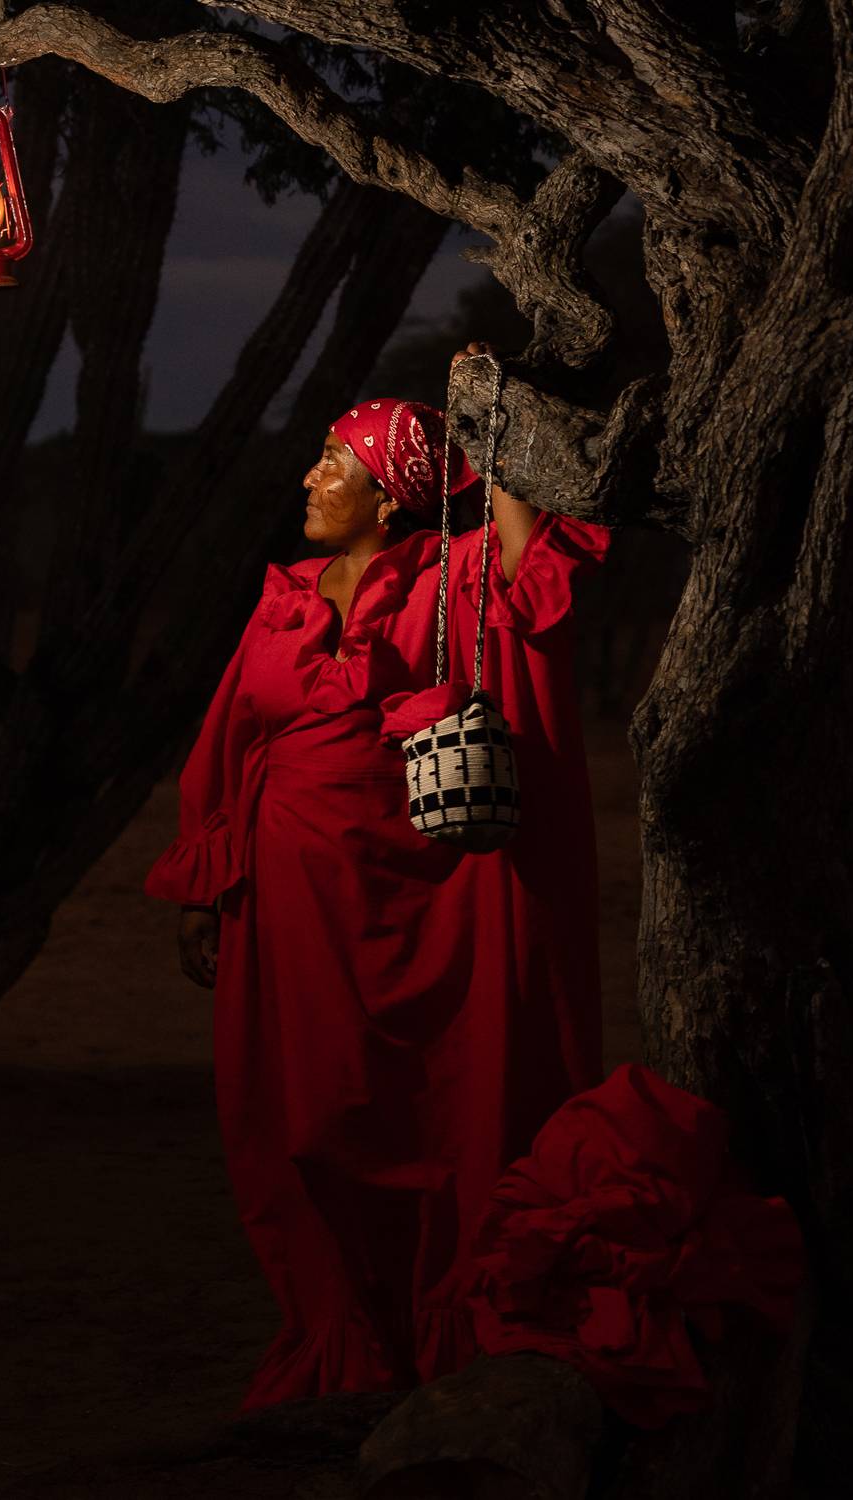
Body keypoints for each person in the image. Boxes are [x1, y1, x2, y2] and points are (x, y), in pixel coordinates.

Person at [145, 345, 610, 1409]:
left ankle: (444, 1329)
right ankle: (341, 1334)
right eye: (317, 456)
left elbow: (536, 573)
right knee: (303, 1119)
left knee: (435, 1111)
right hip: (288, 904)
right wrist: (208, 886)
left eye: (334, 462)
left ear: (390, 497)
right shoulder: (286, 600)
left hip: (422, 903)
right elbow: (230, 740)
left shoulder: (453, 578)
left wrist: (486, 417)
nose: (311, 477)